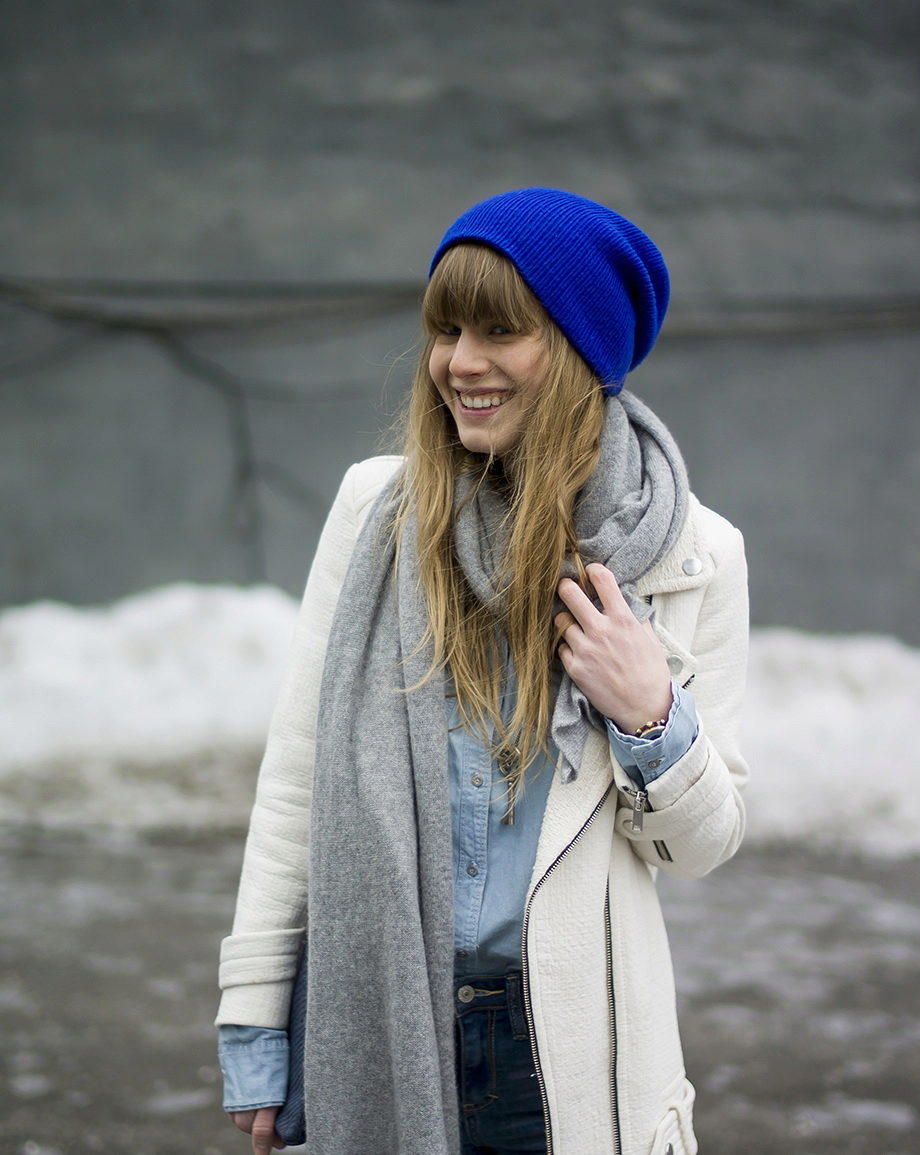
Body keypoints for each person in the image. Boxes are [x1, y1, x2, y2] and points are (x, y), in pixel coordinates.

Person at [216, 187, 749, 1155]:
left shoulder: (691, 555)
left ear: (581, 349)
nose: (459, 362)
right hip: (387, 1018)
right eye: (446, 329)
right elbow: (297, 781)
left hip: (570, 1057)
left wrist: (650, 713)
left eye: (499, 331)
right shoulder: (377, 515)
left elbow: (702, 847)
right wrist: (255, 1017)